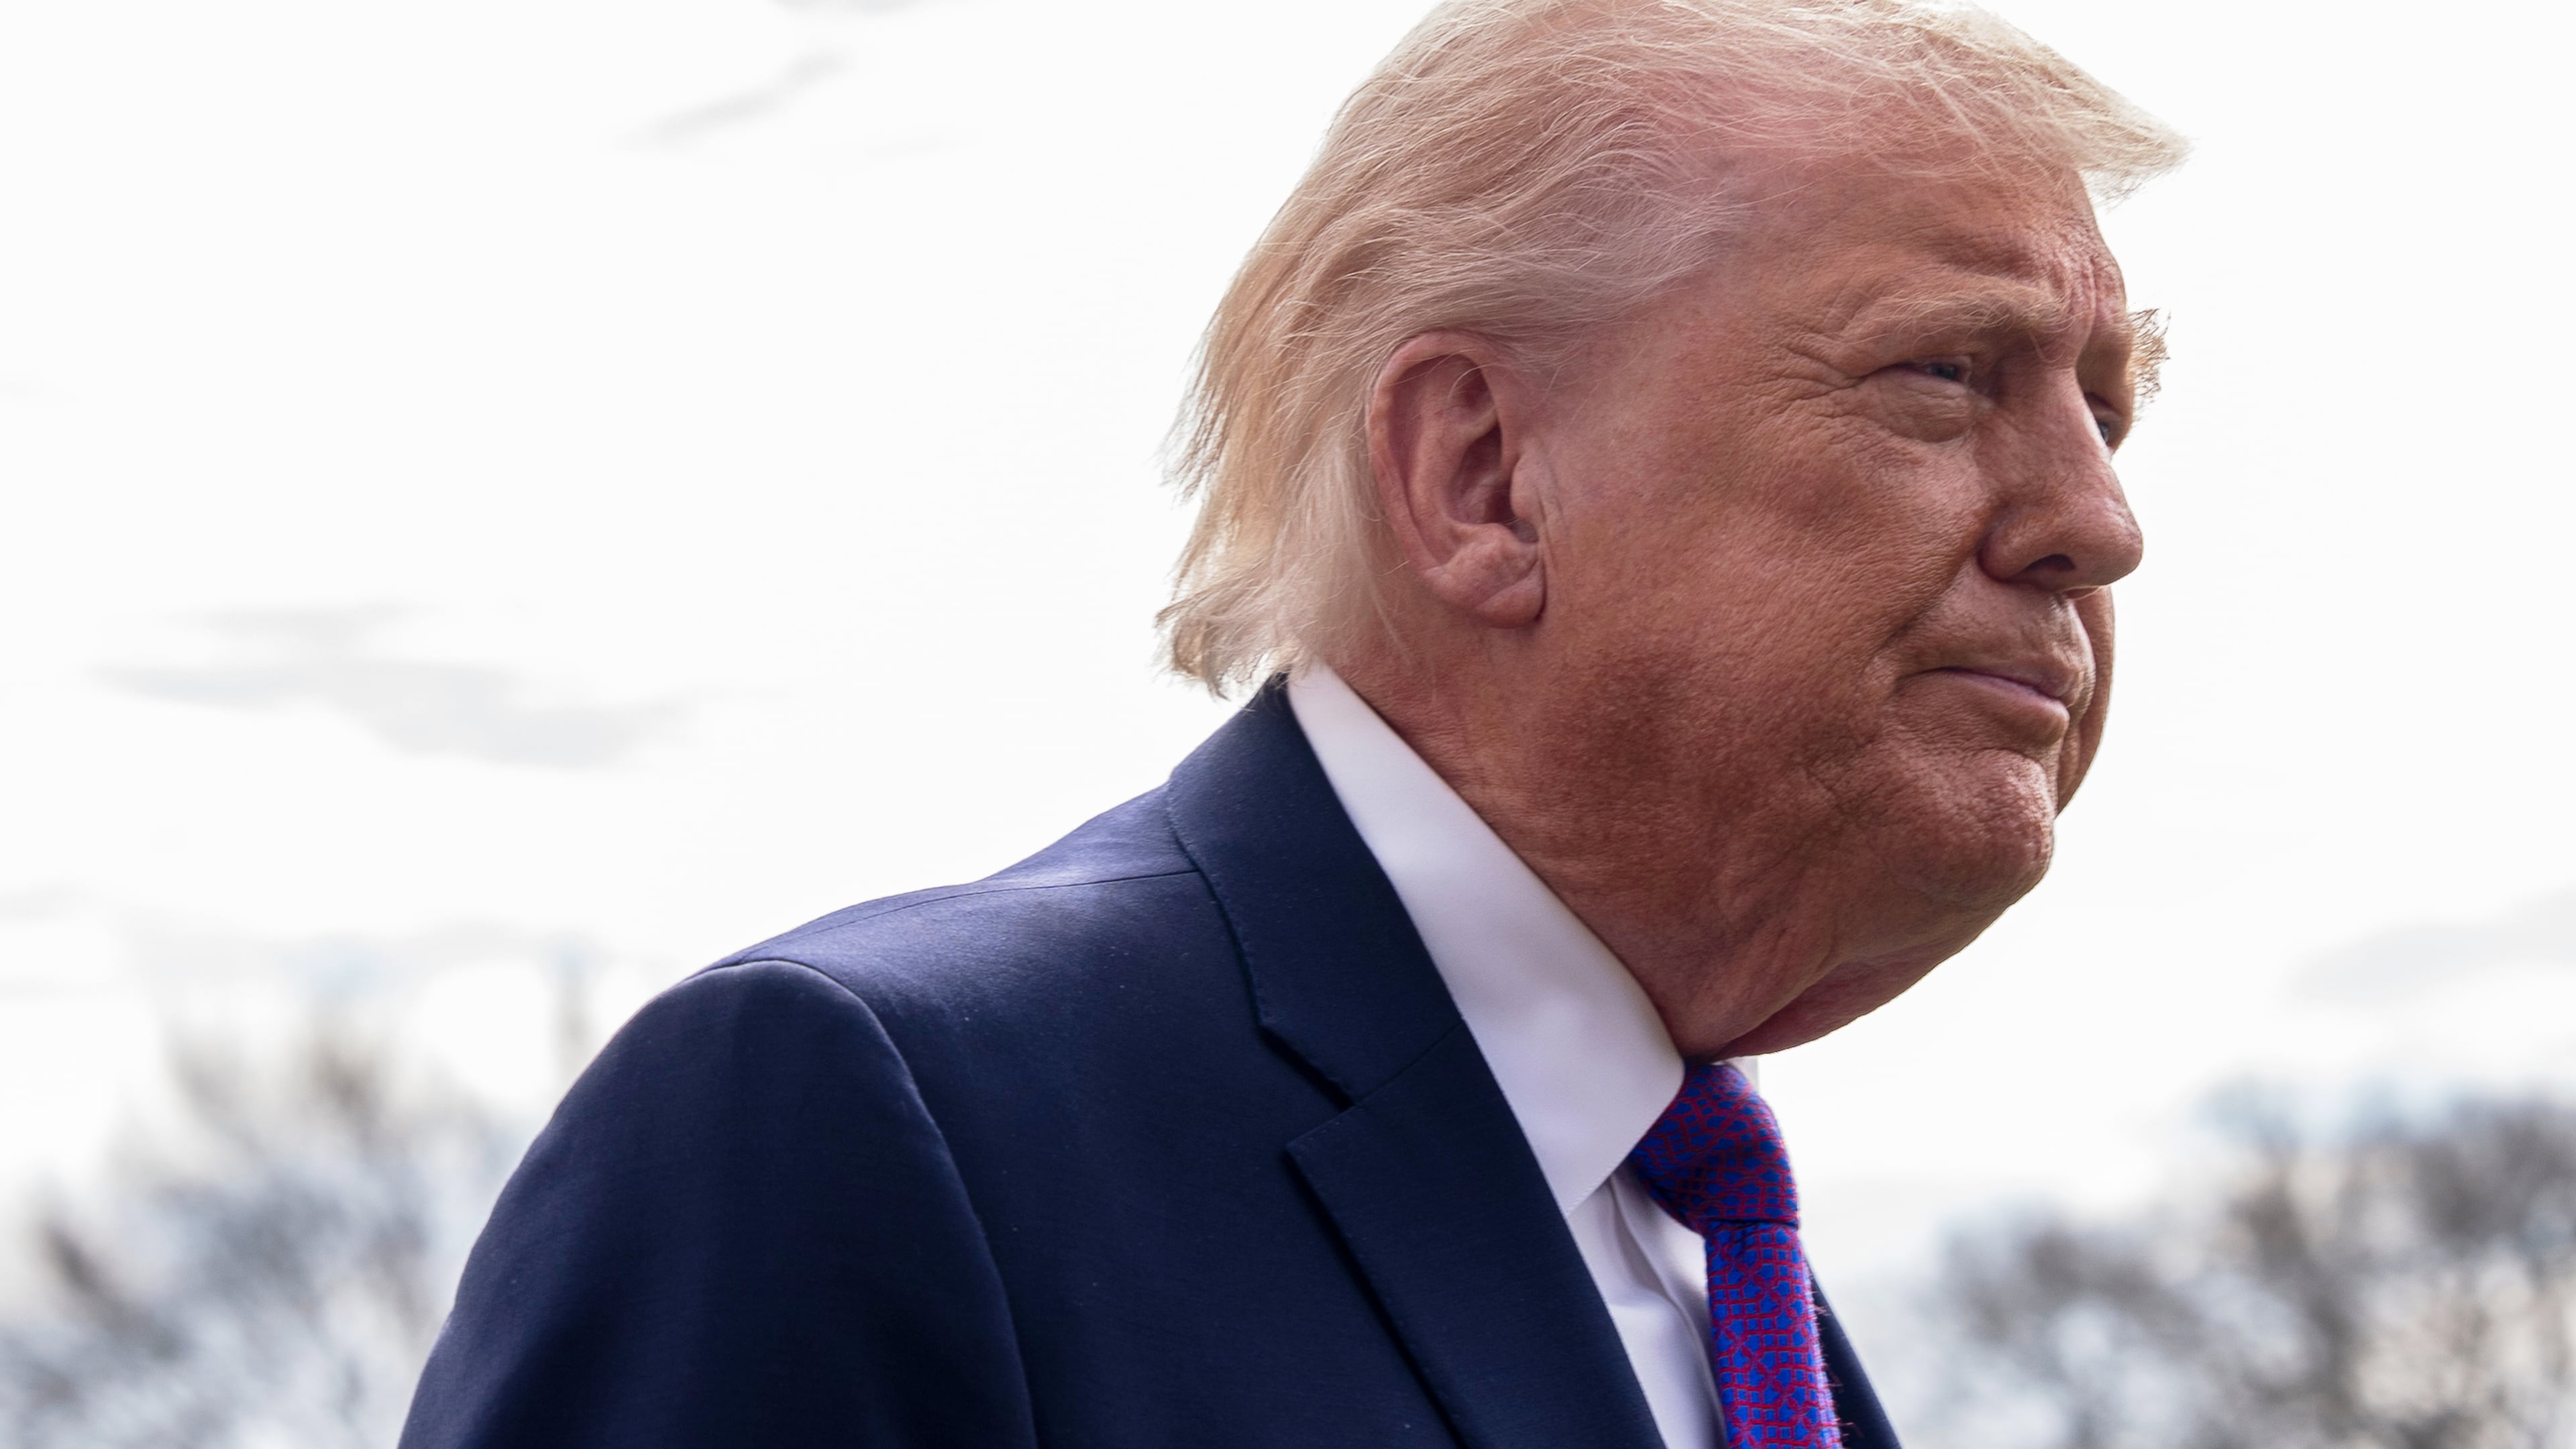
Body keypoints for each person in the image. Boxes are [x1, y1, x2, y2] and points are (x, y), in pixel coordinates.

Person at [399, 1, 2184, 1445]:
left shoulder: (1723, 1285)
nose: (2098, 521)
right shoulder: (861, 1126)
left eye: (2108, 411)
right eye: (1946, 374)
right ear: (1483, 479)